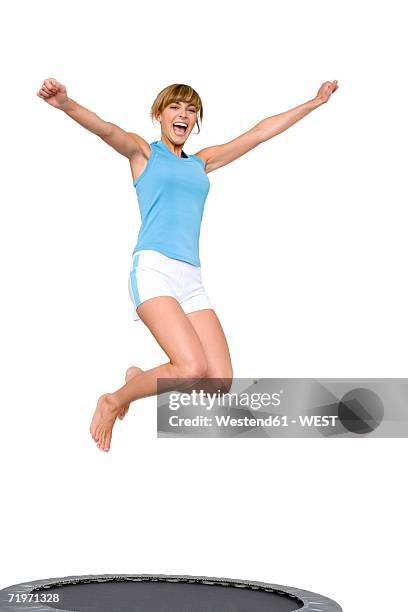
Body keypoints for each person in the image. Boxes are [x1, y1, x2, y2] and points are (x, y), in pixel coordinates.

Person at [37, 78, 339, 451]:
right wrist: (66, 103)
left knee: (219, 382)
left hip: (191, 277)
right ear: (159, 115)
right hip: (153, 270)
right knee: (191, 368)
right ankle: (114, 399)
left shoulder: (202, 162)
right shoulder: (143, 154)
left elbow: (259, 133)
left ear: (196, 121)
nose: (183, 115)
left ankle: (139, 380)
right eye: (175, 108)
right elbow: (106, 129)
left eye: (191, 110)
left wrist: (313, 103)